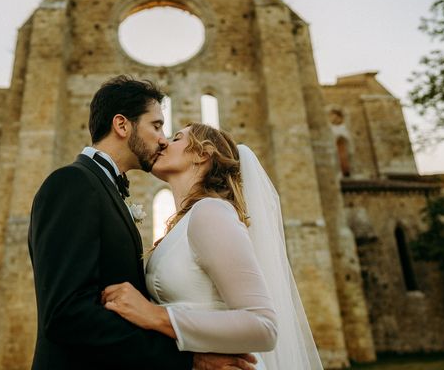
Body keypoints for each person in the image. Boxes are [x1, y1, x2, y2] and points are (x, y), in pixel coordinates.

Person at [28, 76, 257, 370]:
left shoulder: (105, 190)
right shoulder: (72, 183)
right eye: (157, 126)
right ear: (122, 125)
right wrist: (188, 361)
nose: (163, 139)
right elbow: (66, 315)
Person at [102, 123, 325, 370]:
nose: (164, 142)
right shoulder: (187, 223)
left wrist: (155, 316)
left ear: (202, 154)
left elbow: (263, 326)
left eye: (176, 138)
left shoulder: (211, 211)